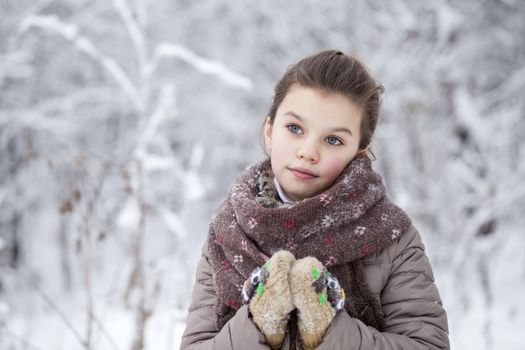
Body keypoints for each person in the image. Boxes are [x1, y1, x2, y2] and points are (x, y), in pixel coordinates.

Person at [180, 50, 449, 349]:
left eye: (333, 140)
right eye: (295, 129)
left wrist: (329, 328)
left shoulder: (391, 237)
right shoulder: (228, 232)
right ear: (270, 131)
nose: (308, 151)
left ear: (359, 151)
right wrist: (257, 323)